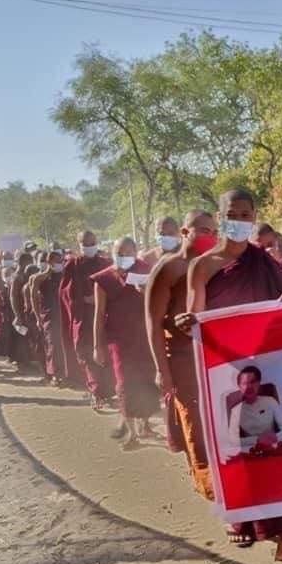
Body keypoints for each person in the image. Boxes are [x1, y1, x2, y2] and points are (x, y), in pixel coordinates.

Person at [176, 188, 282, 564]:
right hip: (226, 368)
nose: (239, 219)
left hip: (266, 364)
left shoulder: (265, 262)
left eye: (246, 213)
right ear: (219, 217)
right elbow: (197, 315)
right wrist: (190, 323)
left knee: (272, 445)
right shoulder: (202, 266)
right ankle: (240, 518)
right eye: (232, 213)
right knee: (238, 447)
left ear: (254, 217)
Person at [145, 209, 219, 500]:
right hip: (182, 357)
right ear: (185, 232)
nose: (208, 237)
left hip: (216, 356)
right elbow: (152, 323)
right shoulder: (169, 268)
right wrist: (161, 369)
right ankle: (209, 487)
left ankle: (227, 481)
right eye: (201, 230)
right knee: (195, 423)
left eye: (213, 231)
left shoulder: (218, 265)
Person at [93, 238, 159, 449]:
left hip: (144, 337)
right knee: (124, 384)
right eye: (119, 252)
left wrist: (147, 290)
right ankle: (132, 434)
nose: (124, 256)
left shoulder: (147, 271)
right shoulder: (104, 279)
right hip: (119, 341)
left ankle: (145, 424)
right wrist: (97, 346)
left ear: (136, 252)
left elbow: (159, 300)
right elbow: (99, 314)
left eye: (128, 252)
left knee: (147, 380)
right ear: (113, 253)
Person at [60, 230, 115, 408]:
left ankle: (109, 391)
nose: (90, 247)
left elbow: (115, 284)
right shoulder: (72, 265)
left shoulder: (105, 262)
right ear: (79, 245)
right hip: (84, 317)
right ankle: (96, 391)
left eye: (92, 243)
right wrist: (84, 299)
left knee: (106, 353)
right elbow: (65, 292)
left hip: (105, 316)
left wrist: (101, 299)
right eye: (86, 244)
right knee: (86, 355)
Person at [228, 365, 282, 452]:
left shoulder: (270, 401)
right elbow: (232, 440)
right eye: (245, 383)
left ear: (259, 383)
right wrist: (257, 440)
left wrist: (276, 437)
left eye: (252, 382)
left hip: (274, 446)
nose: (249, 387)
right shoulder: (236, 410)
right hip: (251, 450)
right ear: (239, 386)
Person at [30, 250, 68, 386]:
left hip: (64, 314)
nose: (60, 264)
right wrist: (37, 317)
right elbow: (33, 299)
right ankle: (55, 374)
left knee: (65, 344)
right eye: (57, 261)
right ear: (50, 262)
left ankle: (67, 373)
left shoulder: (65, 275)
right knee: (52, 344)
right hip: (49, 316)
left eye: (61, 261)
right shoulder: (39, 278)